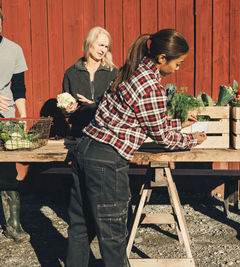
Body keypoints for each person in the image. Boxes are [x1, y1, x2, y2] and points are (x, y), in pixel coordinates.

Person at [66, 29, 207, 267]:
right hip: (106, 161)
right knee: (113, 235)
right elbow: (162, 136)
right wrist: (192, 140)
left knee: (80, 227)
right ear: (162, 58)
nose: (178, 69)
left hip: (85, 149)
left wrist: (179, 123)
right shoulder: (151, 87)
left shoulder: (130, 70)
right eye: (178, 63)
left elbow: (136, 119)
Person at [0, 9, 30, 242]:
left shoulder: (14, 49)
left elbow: (18, 87)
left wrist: (23, 115)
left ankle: (13, 224)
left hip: (7, 117)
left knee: (9, 170)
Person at [61, 26, 117, 140]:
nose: (103, 50)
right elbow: (65, 106)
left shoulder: (113, 73)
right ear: (89, 43)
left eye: (106, 47)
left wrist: (94, 105)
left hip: (107, 133)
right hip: (79, 133)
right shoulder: (71, 73)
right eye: (100, 45)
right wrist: (66, 109)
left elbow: (118, 106)